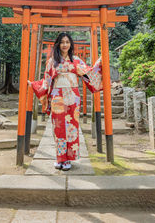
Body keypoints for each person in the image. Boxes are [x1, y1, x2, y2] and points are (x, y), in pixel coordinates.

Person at [28, 33, 102, 171]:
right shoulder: (52, 62)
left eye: (67, 42)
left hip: (73, 97)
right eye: (62, 42)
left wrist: (99, 64)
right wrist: (34, 85)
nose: (65, 44)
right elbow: (47, 81)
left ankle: (68, 159)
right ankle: (60, 158)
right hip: (57, 96)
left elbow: (88, 73)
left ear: (70, 44)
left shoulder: (76, 60)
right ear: (58, 44)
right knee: (59, 128)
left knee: (72, 128)